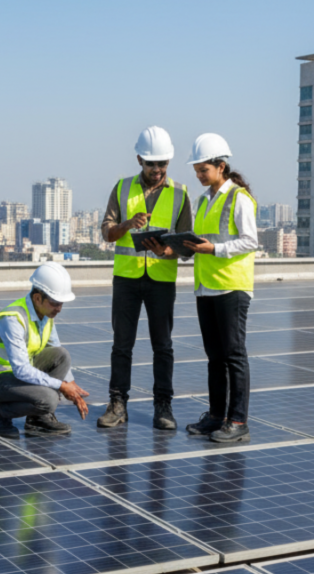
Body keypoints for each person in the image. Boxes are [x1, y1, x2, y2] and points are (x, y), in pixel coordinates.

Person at [98, 126, 193, 430]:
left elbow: (187, 246)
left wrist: (167, 251)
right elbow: (107, 234)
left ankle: (163, 406)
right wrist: (127, 224)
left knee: (162, 346)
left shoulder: (180, 193)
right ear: (139, 159)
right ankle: (117, 403)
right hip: (126, 279)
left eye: (163, 163)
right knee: (122, 345)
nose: (157, 169)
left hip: (161, 280)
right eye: (152, 163)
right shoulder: (122, 188)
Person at [182, 133, 258, 443]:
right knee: (214, 357)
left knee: (234, 356)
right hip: (206, 287)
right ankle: (216, 416)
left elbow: (250, 241)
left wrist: (214, 250)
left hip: (231, 287)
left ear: (221, 166)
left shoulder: (238, 197)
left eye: (203, 170)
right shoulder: (203, 200)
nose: (199, 175)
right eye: (197, 170)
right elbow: (204, 241)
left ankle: (237, 421)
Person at [0, 262, 90, 439]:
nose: (59, 309)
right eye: (55, 303)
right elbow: (21, 370)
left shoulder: (45, 314)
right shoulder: (13, 319)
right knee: (49, 399)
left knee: (61, 356)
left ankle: (37, 419)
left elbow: (55, 346)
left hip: (15, 374)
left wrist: (69, 381)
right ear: (37, 298)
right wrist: (61, 386)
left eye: (61, 303)